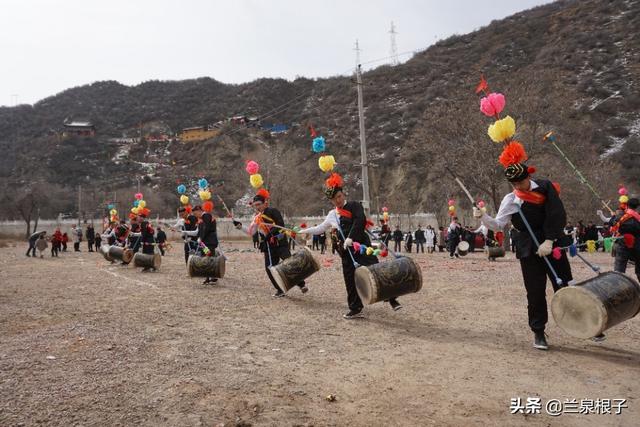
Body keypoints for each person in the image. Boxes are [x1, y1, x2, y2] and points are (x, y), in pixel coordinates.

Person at [475, 142, 576, 350]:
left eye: (522, 182)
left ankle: (583, 321)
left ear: (528, 176)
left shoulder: (546, 187)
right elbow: (498, 224)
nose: (520, 187)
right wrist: (483, 217)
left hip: (551, 242)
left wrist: (549, 239)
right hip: (528, 247)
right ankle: (538, 331)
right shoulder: (511, 199)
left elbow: (556, 214)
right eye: (515, 184)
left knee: (563, 284)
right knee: (535, 291)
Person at [297, 173, 402, 318]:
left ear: (343, 194)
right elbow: (321, 228)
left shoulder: (354, 206)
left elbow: (359, 221)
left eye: (339, 196)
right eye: (334, 199)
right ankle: (355, 308)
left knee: (375, 271)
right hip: (346, 251)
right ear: (331, 201)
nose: (338, 200)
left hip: (362, 246)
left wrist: (351, 238)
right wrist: (306, 230)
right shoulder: (332, 214)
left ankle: (391, 299)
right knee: (350, 279)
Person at [235, 190, 309, 297]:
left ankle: (301, 284)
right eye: (255, 205)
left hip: (280, 242)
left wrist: (270, 235)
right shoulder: (257, 218)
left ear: (265, 203)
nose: (257, 207)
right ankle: (280, 289)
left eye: (259, 204)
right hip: (269, 247)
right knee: (270, 268)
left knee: (289, 262)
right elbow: (252, 232)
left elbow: (280, 224)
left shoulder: (273, 211)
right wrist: (241, 227)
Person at [611, 198, 640, 281]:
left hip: (623, 244)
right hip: (637, 245)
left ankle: (617, 286)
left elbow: (614, 226)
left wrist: (615, 217)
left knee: (619, 269)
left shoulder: (621, 217)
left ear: (627, 205)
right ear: (637, 207)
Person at [193, 204, 219, 284]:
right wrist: (198, 237)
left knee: (210, 258)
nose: (195, 215)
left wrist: (201, 237)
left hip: (209, 241)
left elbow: (206, 228)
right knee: (205, 258)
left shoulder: (206, 216)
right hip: (205, 243)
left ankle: (213, 276)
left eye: (195, 213)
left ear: (199, 210)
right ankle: (207, 277)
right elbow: (200, 230)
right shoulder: (201, 219)